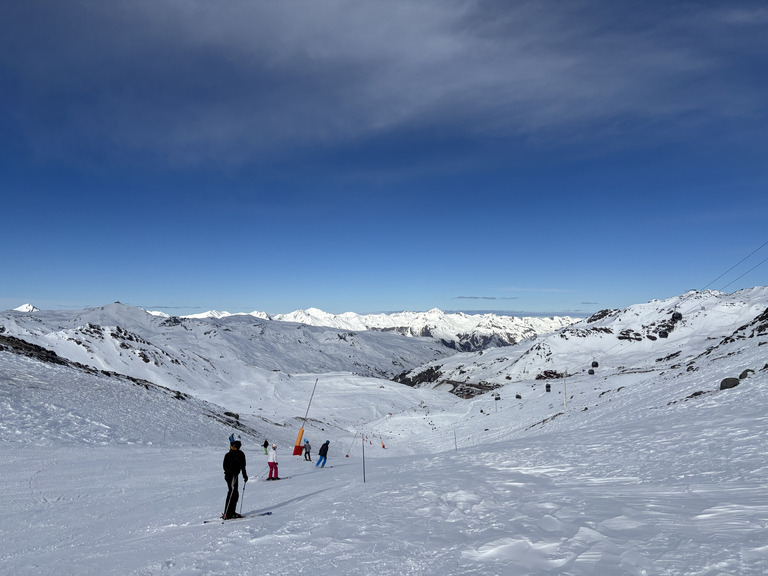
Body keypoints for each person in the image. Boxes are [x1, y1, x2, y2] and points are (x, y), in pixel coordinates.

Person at [222, 434, 248, 519]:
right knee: (233, 493)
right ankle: (229, 513)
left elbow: (224, 466)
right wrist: (245, 476)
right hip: (233, 476)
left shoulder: (229, 454)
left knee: (233, 492)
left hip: (229, 476)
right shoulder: (239, 454)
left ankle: (229, 512)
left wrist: (228, 472)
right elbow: (242, 466)